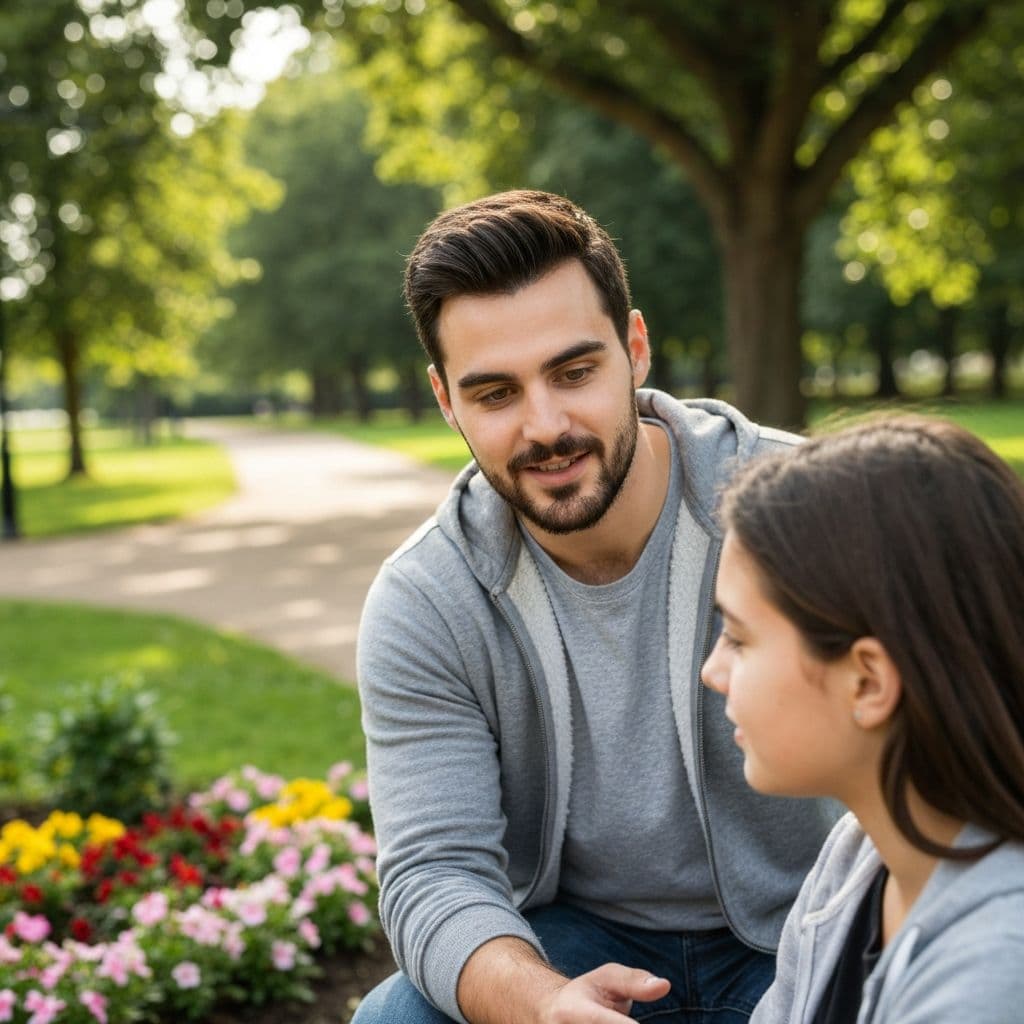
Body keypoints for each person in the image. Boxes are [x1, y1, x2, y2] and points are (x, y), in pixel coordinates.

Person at [354, 189, 836, 1024]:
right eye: (495, 394)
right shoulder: (426, 598)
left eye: (575, 373)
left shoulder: (808, 510)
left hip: (816, 921)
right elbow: (434, 872)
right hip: (576, 946)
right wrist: (544, 1004)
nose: (546, 427)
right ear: (445, 400)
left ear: (635, 349)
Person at [701, 415, 1024, 1023]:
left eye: (739, 639)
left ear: (869, 681)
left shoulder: (994, 975)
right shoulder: (861, 853)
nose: (712, 671)